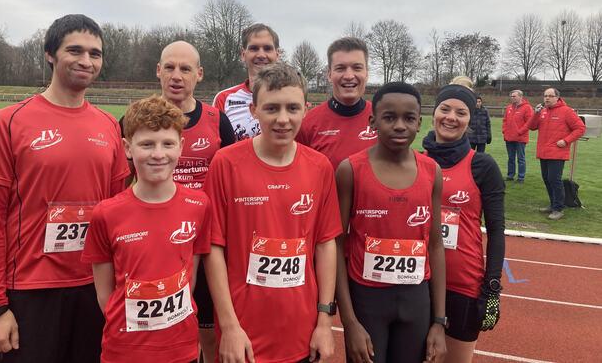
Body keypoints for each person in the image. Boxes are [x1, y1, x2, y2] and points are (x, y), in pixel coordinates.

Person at [0, 14, 130, 362]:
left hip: (93, 289)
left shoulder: (108, 126)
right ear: (50, 54)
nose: (86, 61)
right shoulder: (8, 123)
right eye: (75, 50)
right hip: (30, 291)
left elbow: (117, 213)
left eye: (95, 53)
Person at [204, 62, 342, 363]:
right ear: (253, 110)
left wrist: (324, 320)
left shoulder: (320, 167)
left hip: (302, 332)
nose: (282, 119)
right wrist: (229, 326)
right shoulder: (225, 164)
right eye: (271, 108)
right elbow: (213, 248)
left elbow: (325, 244)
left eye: (292, 108)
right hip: (243, 335)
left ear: (305, 110)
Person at [120, 40, 235, 362]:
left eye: (185, 69)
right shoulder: (133, 119)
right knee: (158, 326)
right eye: (169, 67)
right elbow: (120, 182)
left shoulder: (217, 120)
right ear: (158, 71)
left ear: (199, 74)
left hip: (205, 240)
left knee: (208, 330)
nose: (176, 75)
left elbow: (232, 177)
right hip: (151, 239)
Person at [82, 96, 211, 363]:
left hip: (181, 348)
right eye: (147, 144)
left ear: (181, 146)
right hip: (125, 351)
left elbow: (190, 277)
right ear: (128, 148)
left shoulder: (199, 205)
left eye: (168, 144)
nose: (158, 154)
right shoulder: (106, 214)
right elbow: (105, 295)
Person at [335, 83, 447, 363]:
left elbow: (435, 244)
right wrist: (349, 321)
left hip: (416, 299)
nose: (399, 126)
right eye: (389, 117)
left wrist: (439, 321)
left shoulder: (432, 171)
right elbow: (335, 245)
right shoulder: (350, 170)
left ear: (419, 123)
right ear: (373, 121)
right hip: (367, 300)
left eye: (408, 118)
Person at [422, 84, 505, 363]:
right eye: (445, 109)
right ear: (434, 113)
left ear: (470, 119)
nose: (451, 117)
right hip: (418, 283)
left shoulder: (483, 166)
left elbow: (496, 230)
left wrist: (492, 286)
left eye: (461, 112)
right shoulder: (415, 162)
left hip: (463, 285)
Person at [296, 37, 377, 169]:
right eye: (340, 68)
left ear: (366, 73)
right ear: (329, 74)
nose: (349, 76)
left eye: (357, 68)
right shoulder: (307, 124)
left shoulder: (383, 119)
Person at [519, 88, 585, 220]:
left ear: (557, 98)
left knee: (554, 180)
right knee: (547, 179)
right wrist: (536, 113)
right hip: (543, 152)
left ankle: (558, 209)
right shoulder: (542, 111)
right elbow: (532, 126)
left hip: (557, 152)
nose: (547, 98)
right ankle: (553, 204)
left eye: (550, 96)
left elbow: (580, 128)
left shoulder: (567, 111)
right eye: (545, 96)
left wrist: (566, 141)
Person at [213, 23, 280, 141]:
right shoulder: (223, 98)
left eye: (267, 48)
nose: (261, 55)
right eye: (254, 48)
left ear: (277, 55)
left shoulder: (292, 97)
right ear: (243, 55)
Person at [502, 90, 533, 183]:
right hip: (509, 137)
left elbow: (529, 122)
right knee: (511, 158)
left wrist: (520, 131)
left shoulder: (527, 108)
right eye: (511, 96)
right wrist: (504, 130)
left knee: (521, 159)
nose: (512, 98)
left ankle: (521, 177)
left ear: (520, 97)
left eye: (514, 96)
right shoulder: (509, 107)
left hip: (520, 138)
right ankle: (510, 175)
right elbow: (505, 120)